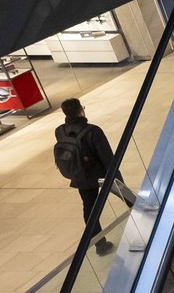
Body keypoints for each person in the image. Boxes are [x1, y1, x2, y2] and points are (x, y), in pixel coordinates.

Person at [53, 98, 132, 255]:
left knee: (89, 210)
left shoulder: (59, 131)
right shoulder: (93, 131)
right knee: (127, 198)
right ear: (81, 110)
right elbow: (108, 158)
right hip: (99, 175)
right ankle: (146, 216)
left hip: (80, 176)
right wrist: (118, 180)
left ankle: (100, 245)